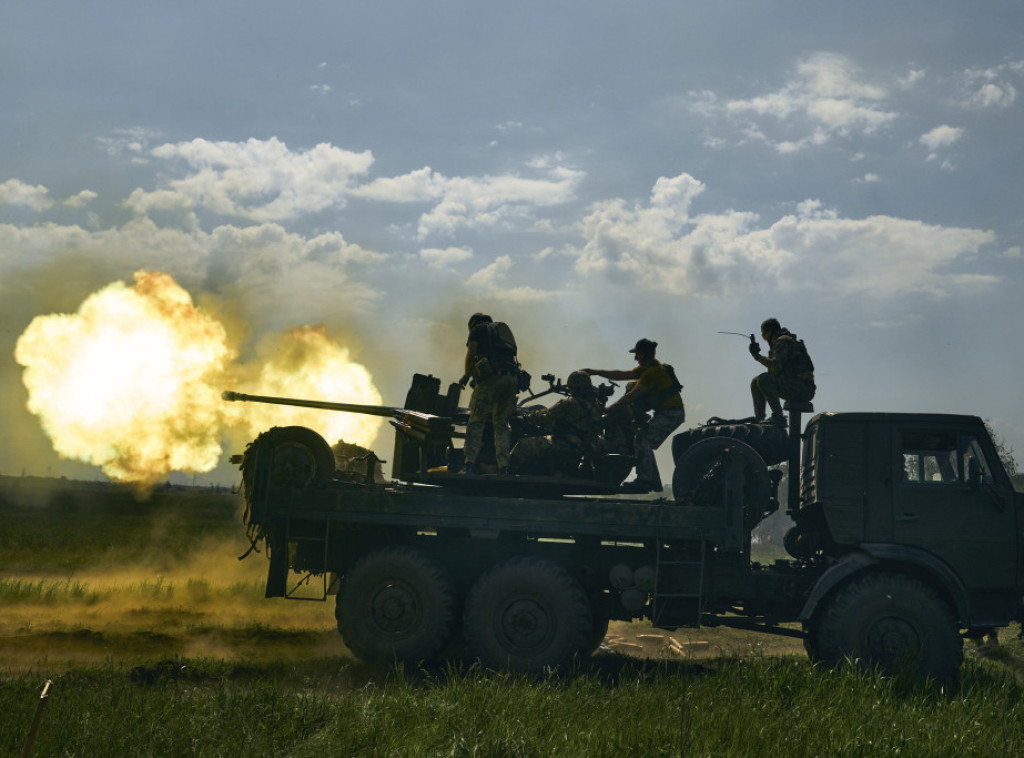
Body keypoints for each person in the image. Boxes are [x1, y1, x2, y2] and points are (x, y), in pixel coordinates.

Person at [584, 339, 685, 493]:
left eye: (637, 355)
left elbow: (632, 395)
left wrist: (612, 408)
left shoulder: (652, 373)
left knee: (642, 440)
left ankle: (644, 480)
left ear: (642, 354)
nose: (635, 358)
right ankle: (654, 482)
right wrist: (595, 372)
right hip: (669, 413)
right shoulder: (650, 368)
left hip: (670, 414)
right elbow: (621, 374)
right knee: (644, 442)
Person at [459, 313, 521, 475]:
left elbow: (471, 353)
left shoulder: (478, 330)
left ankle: (469, 464)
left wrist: (466, 375)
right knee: (501, 424)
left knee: (476, 421)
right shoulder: (501, 332)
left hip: (491, 379)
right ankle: (504, 466)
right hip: (512, 378)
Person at [510, 371, 604, 477]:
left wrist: (524, 418)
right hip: (583, 449)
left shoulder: (569, 403)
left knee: (522, 445)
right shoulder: (596, 408)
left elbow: (545, 418)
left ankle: (507, 475)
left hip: (563, 445)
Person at [749, 317, 815, 423]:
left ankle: (778, 417)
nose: (764, 338)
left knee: (763, 379)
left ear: (770, 332)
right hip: (796, 385)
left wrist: (757, 356)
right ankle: (759, 419)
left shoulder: (782, 342)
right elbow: (775, 373)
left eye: (764, 335)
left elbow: (775, 367)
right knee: (755, 382)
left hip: (803, 388)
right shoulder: (781, 342)